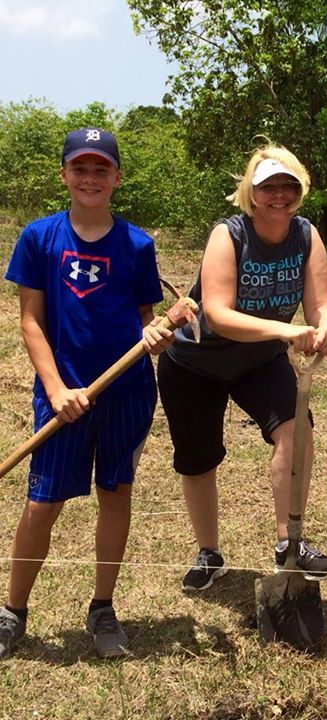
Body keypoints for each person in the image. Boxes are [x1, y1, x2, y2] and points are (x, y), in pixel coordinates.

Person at [0, 127, 173, 659]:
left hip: (126, 393)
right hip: (61, 395)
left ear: (116, 178)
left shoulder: (137, 245)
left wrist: (156, 339)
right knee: (42, 500)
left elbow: (144, 322)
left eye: (101, 169)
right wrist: (55, 389)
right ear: (64, 175)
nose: (90, 178)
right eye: (81, 168)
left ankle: (102, 608)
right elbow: (31, 321)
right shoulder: (39, 238)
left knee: (115, 494)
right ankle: (12, 612)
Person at [158, 143, 327, 592]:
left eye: (288, 186)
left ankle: (288, 543)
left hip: (259, 359)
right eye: (268, 186)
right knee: (199, 459)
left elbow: (322, 305)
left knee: (296, 431)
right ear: (251, 194)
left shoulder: (305, 235)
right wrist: (283, 332)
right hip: (195, 362)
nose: (279, 194)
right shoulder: (229, 234)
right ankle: (209, 553)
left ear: (300, 190)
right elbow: (218, 314)